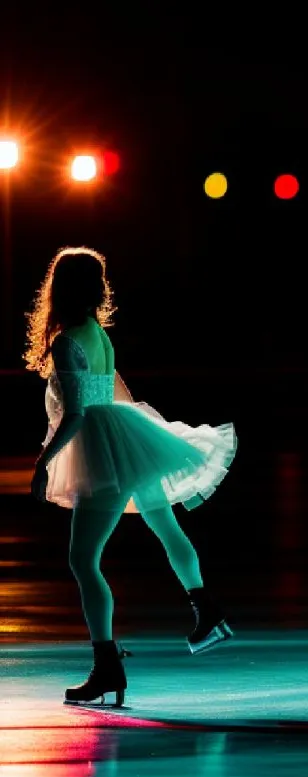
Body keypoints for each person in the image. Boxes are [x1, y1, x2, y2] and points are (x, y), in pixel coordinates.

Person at [24, 246, 237, 706]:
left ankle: (106, 664)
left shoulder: (67, 340)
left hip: (102, 445)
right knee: (166, 527)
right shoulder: (96, 333)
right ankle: (206, 608)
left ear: (56, 288)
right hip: (123, 433)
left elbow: (77, 413)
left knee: (84, 561)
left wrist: (44, 464)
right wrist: (142, 440)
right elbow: (120, 391)